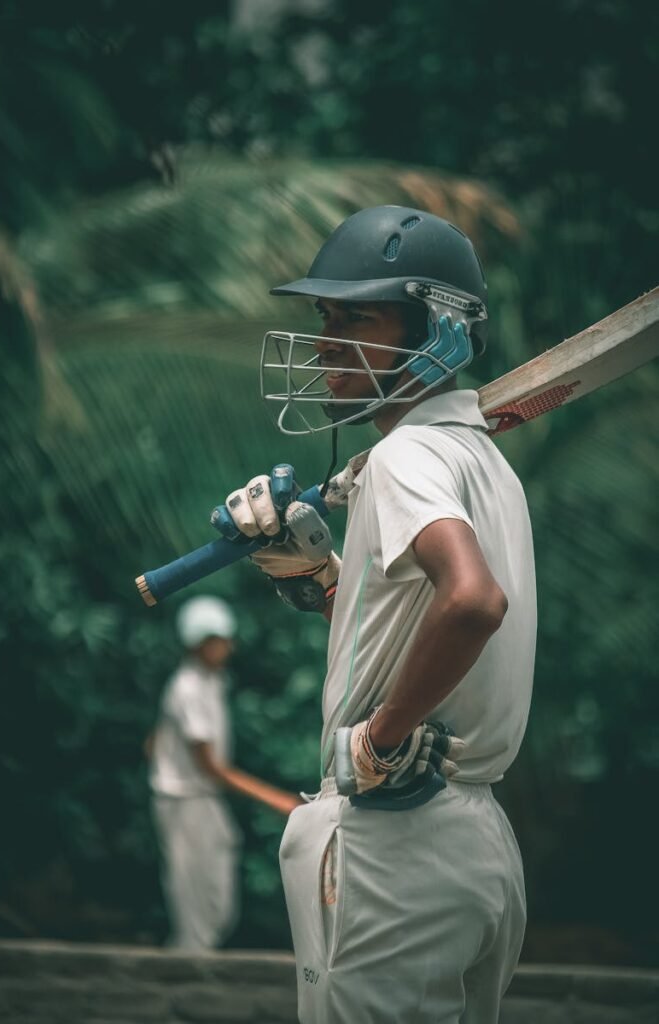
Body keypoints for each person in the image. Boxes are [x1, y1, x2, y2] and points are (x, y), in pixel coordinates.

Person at [211, 206, 537, 1022]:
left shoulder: (404, 457)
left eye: (358, 314)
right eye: (325, 314)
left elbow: (471, 602)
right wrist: (319, 582)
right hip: (475, 843)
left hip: (401, 843)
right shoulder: (481, 461)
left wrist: (380, 739)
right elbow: (416, 626)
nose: (326, 339)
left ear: (438, 330)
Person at [147, 594, 300, 951]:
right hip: (184, 800)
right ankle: (187, 972)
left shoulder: (209, 682)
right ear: (199, 642)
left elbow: (154, 742)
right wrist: (277, 800)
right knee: (195, 896)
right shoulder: (187, 688)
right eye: (219, 640)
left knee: (218, 887)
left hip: (201, 799)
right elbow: (210, 767)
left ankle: (196, 958)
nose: (228, 647)